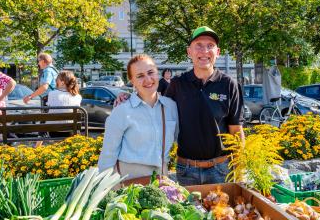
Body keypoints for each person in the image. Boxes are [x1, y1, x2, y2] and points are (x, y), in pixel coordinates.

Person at [116, 26, 245, 185]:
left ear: (217, 52)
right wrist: (129, 97)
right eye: (198, 45)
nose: (204, 51)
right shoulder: (177, 84)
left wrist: (240, 172)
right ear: (189, 52)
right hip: (186, 170)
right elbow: (155, 106)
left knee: (223, 210)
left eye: (210, 45)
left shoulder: (229, 85)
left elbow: (236, 131)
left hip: (221, 169)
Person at [98, 54, 178, 180]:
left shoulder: (171, 106)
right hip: (127, 180)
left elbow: (182, 139)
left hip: (161, 178)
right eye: (140, 76)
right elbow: (108, 154)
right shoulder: (122, 110)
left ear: (157, 73)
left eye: (151, 72)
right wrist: (104, 189)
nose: (148, 79)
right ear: (132, 81)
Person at [46, 71, 82, 138]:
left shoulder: (51, 94)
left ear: (62, 82)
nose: (56, 81)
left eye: (57, 79)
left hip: (53, 131)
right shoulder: (78, 97)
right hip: (71, 131)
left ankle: (37, 145)